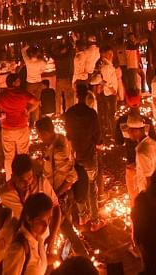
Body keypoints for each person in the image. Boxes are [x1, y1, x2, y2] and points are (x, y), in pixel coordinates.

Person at [63, 82, 102, 231]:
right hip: (89, 155)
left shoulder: (70, 113)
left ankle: (82, 215)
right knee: (91, 186)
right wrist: (98, 143)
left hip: (75, 154)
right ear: (87, 96)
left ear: (76, 95)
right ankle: (95, 220)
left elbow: (68, 134)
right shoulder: (91, 114)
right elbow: (97, 135)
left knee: (79, 185)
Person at [0, 192, 54, 275]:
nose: (46, 225)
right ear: (29, 219)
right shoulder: (19, 249)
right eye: (40, 221)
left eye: (49, 219)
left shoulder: (39, 239)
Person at [0, 73, 39, 180]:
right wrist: (28, 111)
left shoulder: (2, 96)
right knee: (24, 154)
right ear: (13, 83)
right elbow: (36, 102)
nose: (20, 82)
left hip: (7, 129)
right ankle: (26, 178)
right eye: (18, 80)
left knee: (9, 157)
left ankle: (9, 179)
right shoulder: (23, 94)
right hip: (21, 128)